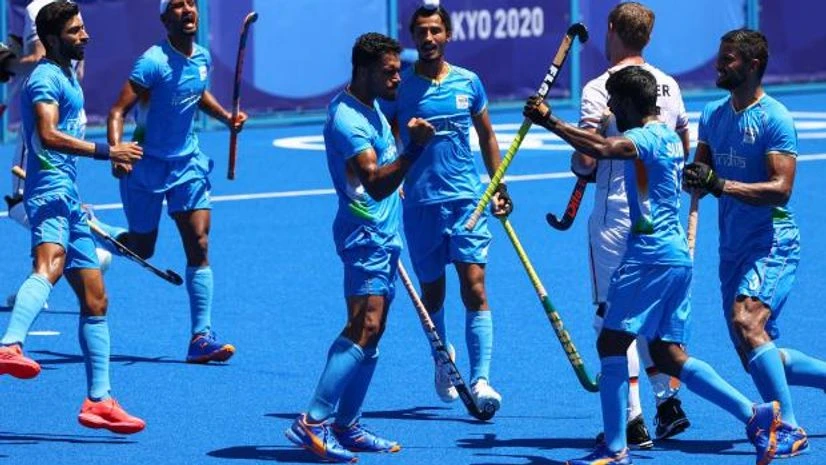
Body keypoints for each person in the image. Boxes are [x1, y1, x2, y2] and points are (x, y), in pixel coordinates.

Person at [524, 66, 783, 465]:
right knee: (666, 354)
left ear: (628, 103)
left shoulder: (640, 138)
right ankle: (755, 413)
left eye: (613, 100)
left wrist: (549, 121)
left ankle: (614, 448)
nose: (609, 107)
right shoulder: (667, 136)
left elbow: (602, 149)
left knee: (611, 342)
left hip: (648, 256)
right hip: (675, 257)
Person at [284, 32, 434, 463]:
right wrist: (414, 151)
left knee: (374, 330)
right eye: (388, 72)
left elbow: (384, 183)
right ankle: (313, 421)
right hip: (363, 237)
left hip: (384, 235)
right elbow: (375, 180)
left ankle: (346, 425)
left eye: (398, 70)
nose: (397, 79)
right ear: (363, 71)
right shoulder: (347, 120)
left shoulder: (371, 109)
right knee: (361, 327)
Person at [0, 0, 145, 434]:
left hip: (68, 194)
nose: (86, 35)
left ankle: (99, 401)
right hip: (48, 193)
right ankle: (9, 345)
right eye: (76, 30)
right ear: (52, 38)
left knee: (96, 298)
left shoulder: (67, 76)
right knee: (50, 264)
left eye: (83, 28)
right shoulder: (45, 79)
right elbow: (45, 135)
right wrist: (107, 151)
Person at [684, 28, 826, 458]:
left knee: (748, 322)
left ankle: (791, 429)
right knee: (754, 349)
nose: (718, 65)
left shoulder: (775, 118)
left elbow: (781, 189)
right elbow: (700, 172)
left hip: (773, 240)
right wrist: (691, 175)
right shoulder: (712, 114)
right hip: (732, 246)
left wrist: (720, 184)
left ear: (752, 65)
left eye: (728, 59)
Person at [379, 2, 512, 414]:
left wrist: (497, 182)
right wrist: (390, 178)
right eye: (422, 32)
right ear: (413, 37)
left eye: (436, 30)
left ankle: (482, 378)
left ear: (448, 35)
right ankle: (442, 357)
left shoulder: (469, 83)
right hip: (420, 206)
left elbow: (487, 135)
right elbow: (384, 133)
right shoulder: (400, 89)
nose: (430, 38)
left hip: (467, 203)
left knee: (474, 287)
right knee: (433, 293)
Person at [571, 2, 691, 446]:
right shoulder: (671, 86)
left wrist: (578, 154)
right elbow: (681, 148)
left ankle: (632, 418)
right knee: (655, 312)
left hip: (614, 215)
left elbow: (586, 160)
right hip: (660, 216)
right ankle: (667, 399)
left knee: (613, 317)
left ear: (612, 30)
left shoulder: (599, 87)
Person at [107, 0, 247, 363]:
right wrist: (115, 150)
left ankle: (200, 337)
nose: (188, 11)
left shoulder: (201, 57)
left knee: (199, 242)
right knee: (143, 247)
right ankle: (103, 236)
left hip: (187, 164)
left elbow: (197, 94)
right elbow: (117, 111)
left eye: (192, 4)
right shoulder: (152, 61)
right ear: (165, 18)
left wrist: (226, 118)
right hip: (145, 164)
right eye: (178, 6)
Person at [4, 0, 122, 309]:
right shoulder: (55, 8)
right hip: (65, 104)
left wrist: (7, 65)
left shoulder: (38, 9)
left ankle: (54, 263)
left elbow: (36, 59)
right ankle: (43, 274)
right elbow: (24, 49)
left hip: (53, 112)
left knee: (20, 202)